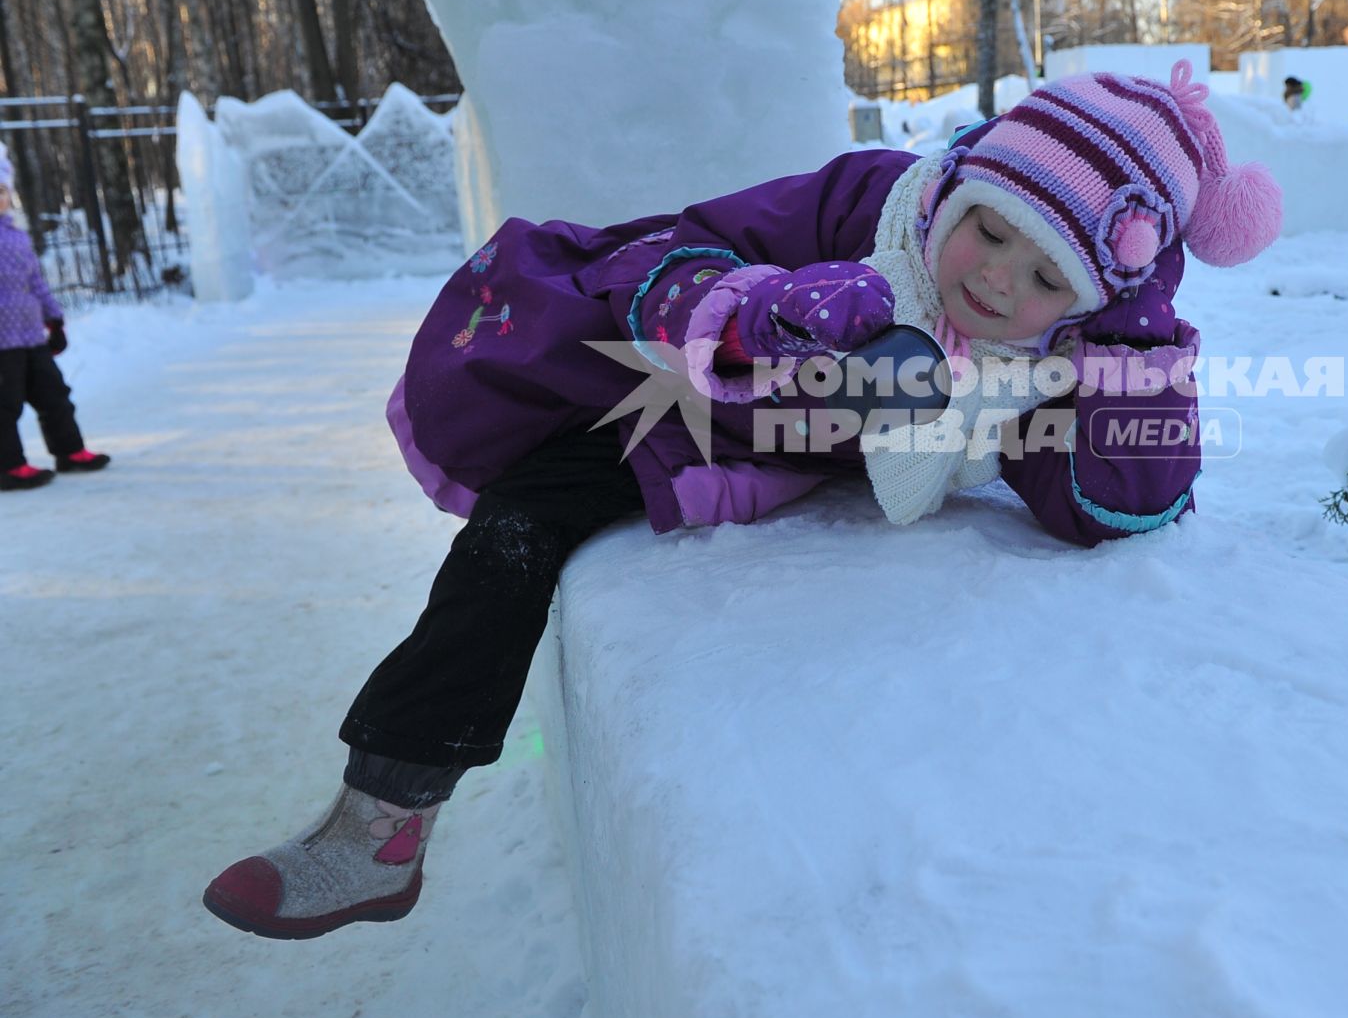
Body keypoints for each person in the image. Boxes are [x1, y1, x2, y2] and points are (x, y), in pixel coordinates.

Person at [201, 61, 1285, 940]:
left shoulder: (1060, 353)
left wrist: (1135, 334)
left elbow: (1104, 502)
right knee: (519, 527)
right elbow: (670, 247)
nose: (998, 279)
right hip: (681, 403)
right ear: (961, 183)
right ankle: (382, 816)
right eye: (990, 230)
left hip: (790, 452)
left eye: (1048, 278)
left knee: (949, 362)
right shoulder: (870, 202)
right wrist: (766, 308)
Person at [0, 150, 110, 491]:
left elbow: (36, 283)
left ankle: (69, 452)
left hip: (32, 335)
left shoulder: (17, 236)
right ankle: (8, 466)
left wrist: (55, 320)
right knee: (5, 406)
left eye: (1, 189)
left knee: (54, 396)